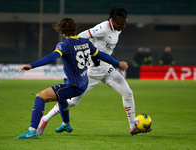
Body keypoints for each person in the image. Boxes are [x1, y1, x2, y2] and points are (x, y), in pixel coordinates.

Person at [37, 8, 152, 136]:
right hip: (92, 72)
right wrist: (67, 49)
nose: (123, 27)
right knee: (73, 102)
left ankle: (132, 127)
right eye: (120, 24)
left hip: (107, 69)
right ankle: (45, 119)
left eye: (125, 24)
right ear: (112, 20)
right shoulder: (102, 28)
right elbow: (79, 38)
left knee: (128, 93)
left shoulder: (117, 29)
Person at [15, 17, 128, 139]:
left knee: (40, 97)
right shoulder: (85, 42)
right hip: (83, 82)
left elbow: (53, 57)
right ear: (75, 28)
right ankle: (66, 124)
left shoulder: (65, 45)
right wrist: (118, 63)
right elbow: (101, 55)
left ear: (62, 31)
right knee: (61, 98)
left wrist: (31, 66)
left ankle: (31, 131)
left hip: (73, 86)